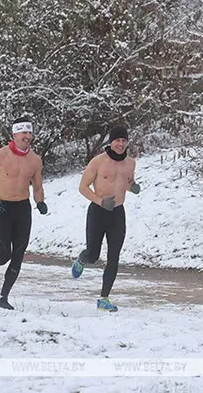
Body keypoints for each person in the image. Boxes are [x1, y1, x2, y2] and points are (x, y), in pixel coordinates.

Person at [0, 117, 47, 310]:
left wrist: (40, 201)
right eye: (23, 132)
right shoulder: (0, 155)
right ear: (14, 134)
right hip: (3, 208)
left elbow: (38, 186)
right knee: (4, 255)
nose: (27, 136)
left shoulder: (35, 160)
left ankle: (3, 298)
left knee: (18, 255)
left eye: (29, 133)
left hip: (23, 209)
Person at [71, 125, 140, 313]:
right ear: (111, 142)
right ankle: (82, 259)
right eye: (118, 140)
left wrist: (132, 186)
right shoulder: (98, 162)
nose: (121, 144)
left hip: (117, 213)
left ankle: (104, 298)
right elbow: (83, 187)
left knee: (114, 257)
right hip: (98, 212)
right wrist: (100, 201)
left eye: (124, 141)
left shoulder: (130, 162)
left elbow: (125, 181)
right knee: (94, 254)